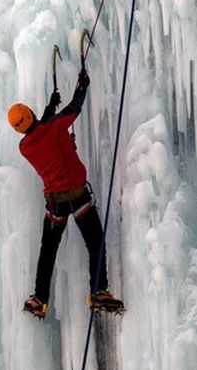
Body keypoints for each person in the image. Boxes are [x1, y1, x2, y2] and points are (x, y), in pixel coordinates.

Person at [7, 65, 124, 318]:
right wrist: (82, 85)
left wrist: (50, 106)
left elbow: (40, 129)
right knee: (95, 243)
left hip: (55, 206)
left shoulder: (24, 147)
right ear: (30, 113)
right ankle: (98, 291)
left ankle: (40, 299)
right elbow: (74, 109)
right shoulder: (55, 128)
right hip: (78, 197)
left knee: (47, 252)